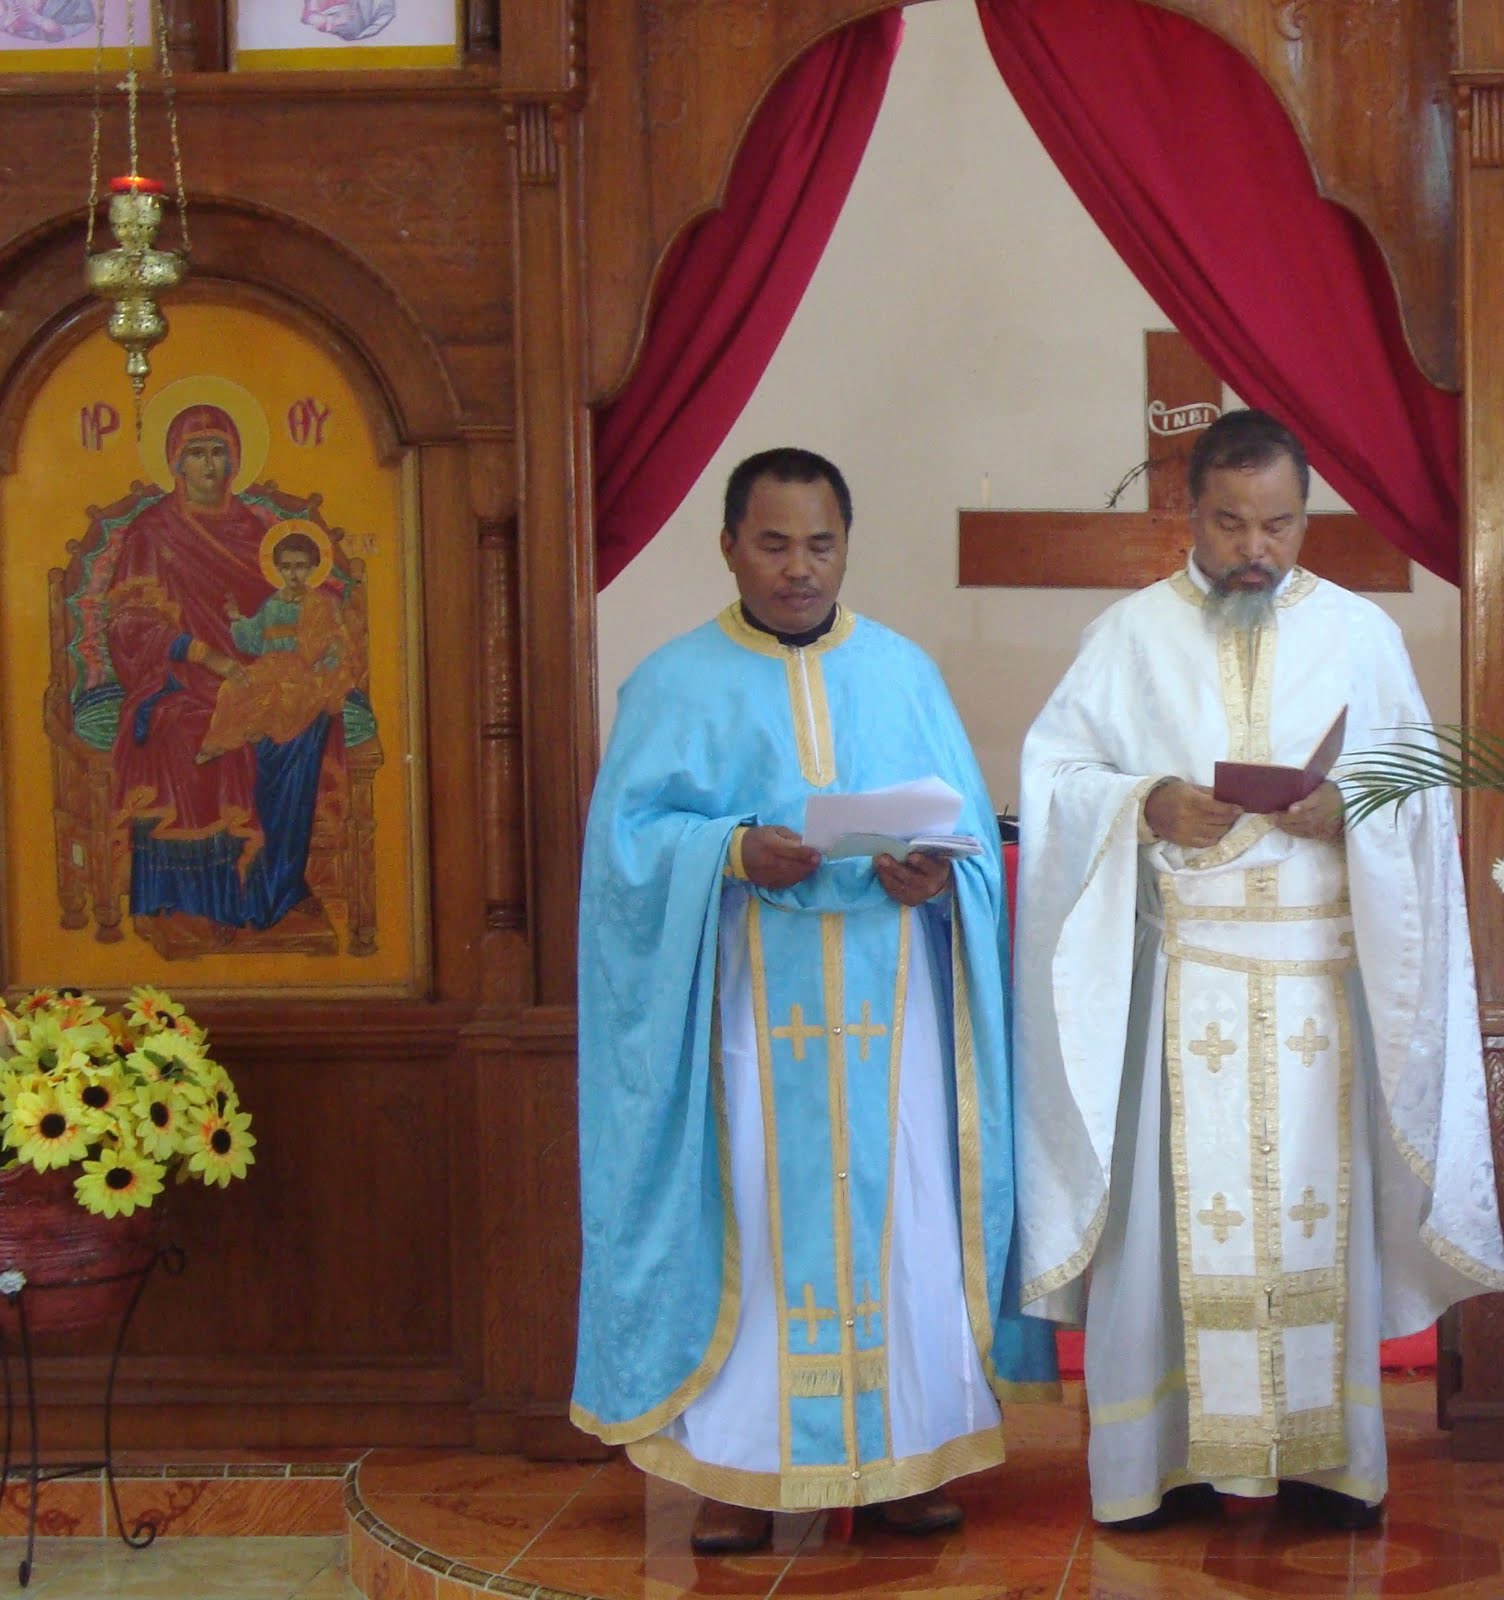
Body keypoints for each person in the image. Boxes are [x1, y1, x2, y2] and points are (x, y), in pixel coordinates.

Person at [1013, 408, 1504, 1532]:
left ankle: (1324, 1462)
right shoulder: (1129, 635)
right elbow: (1056, 778)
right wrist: (1147, 803)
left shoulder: (1361, 636)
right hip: (1188, 989)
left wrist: (1354, 806)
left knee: (1314, 1215)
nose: (1255, 549)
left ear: (1304, 516)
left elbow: (1420, 795)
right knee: (1171, 1227)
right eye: (1231, 523)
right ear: (1190, 514)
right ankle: (1167, 1461)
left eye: (1278, 525)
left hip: (1323, 994)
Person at [572, 447, 1056, 1553]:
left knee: (905, 1212)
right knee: (751, 1213)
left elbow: (969, 837)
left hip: (894, 1010)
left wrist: (937, 878)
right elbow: (623, 859)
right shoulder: (673, 682)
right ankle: (744, 1469)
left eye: (821, 545)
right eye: (775, 544)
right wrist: (731, 851)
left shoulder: (901, 673)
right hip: (750, 1008)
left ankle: (903, 1457)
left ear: (846, 547)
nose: (799, 568)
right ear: (729, 545)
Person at [99, 403, 359, 948]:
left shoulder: (257, 530)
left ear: (236, 459)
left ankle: (275, 886)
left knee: (306, 724)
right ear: (176, 463)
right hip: (177, 678)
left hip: (261, 672)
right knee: (192, 731)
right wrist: (203, 655)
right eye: (196, 453)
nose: (209, 464)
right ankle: (205, 900)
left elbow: (295, 605)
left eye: (219, 451)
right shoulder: (152, 533)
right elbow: (128, 623)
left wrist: (315, 647)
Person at [197, 530, 356, 764]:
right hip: (268, 667)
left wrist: (326, 663)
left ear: (312, 568)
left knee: (285, 695)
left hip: (303, 671)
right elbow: (254, 642)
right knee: (230, 688)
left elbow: (337, 642)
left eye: (300, 566)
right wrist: (236, 618)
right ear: (278, 569)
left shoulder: (321, 604)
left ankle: (261, 728)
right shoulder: (272, 604)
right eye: (286, 566)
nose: (293, 573)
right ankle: (219, 743)